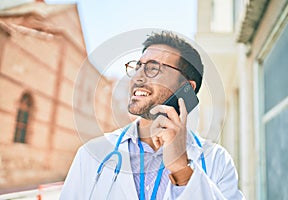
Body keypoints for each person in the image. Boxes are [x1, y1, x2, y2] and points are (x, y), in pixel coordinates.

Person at [60, 31, 245, 200]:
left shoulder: (217, 160)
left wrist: (181, 169)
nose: (137, 77)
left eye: (153, 68)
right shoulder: (92, 155)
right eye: (138, 67)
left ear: (186, 89)